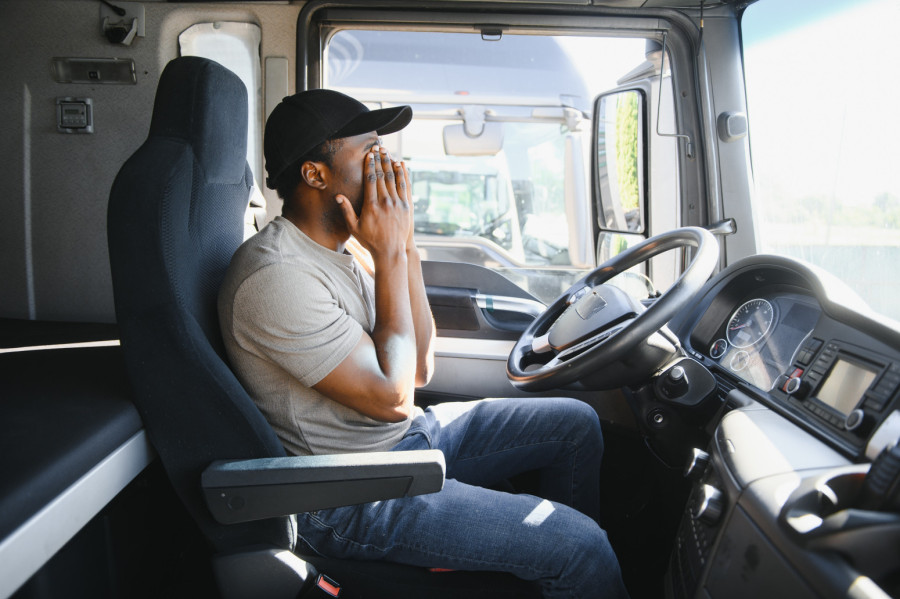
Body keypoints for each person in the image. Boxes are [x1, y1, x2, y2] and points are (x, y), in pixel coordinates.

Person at [218, 89, 629, 599]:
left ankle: (557, 580)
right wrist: (388, 251)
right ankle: (570, 565)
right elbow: (394, 398)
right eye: (370, 152)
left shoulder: (341, 251)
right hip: (347, 493)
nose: (387, 165)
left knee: (576, 425)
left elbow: (419, 368)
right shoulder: (276, 276)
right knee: (583, 548)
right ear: (315, 174)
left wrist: (405, 244)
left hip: (397, 444)